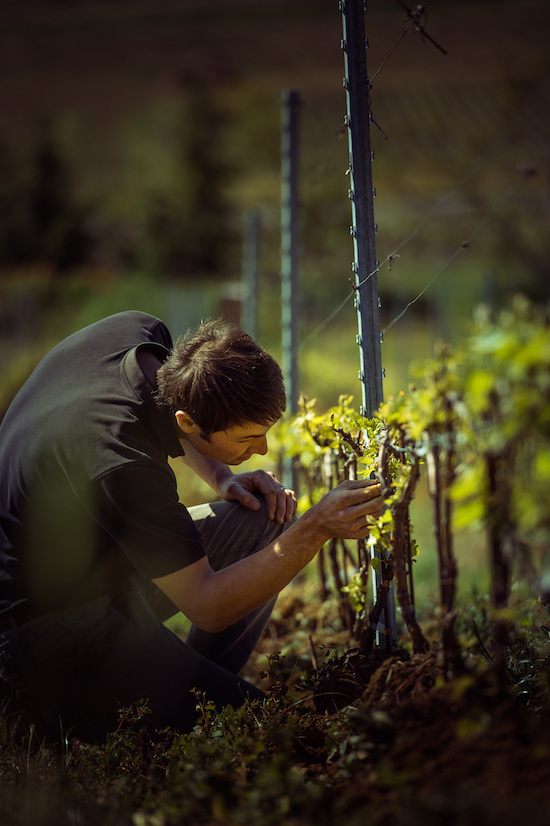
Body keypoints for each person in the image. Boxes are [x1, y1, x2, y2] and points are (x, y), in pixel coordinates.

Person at [0, 310, 383, 744]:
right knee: (255, 725)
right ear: (188, 422)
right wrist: (315, 529)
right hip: (46, 628)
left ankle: (192, 684)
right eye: (246, 439)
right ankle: (48, 715)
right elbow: (207, 605)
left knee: (262, 516)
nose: (262, 449)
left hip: (95, 566)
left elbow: (166, 412)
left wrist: (224, 476)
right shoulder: (123, 463)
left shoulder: (136, 333)